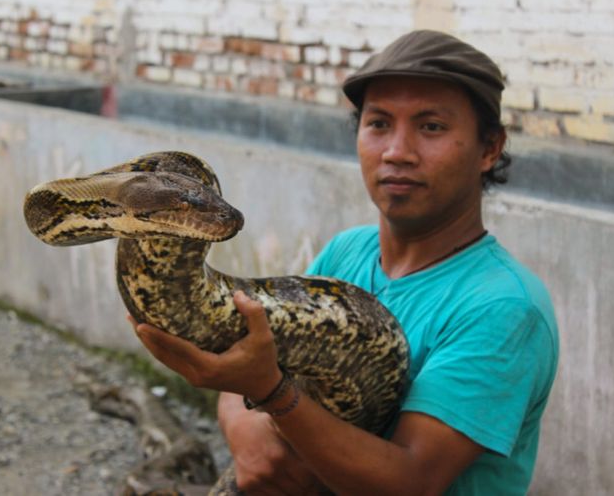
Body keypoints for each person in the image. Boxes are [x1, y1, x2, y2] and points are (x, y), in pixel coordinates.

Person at [129, 30, 559, 495]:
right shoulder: (346, 252)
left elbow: (409, 481)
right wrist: (243, 426)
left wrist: (272, 395)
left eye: (431, 126)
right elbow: (256, 354)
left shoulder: (504, 307)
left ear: (489, 148)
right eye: (378, 124)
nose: (397, 151)